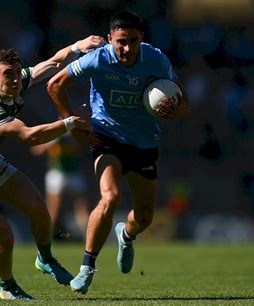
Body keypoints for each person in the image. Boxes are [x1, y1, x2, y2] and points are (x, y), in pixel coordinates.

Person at [0, 35, 105, 300]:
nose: (15, 79)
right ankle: (7, 286)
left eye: (17, 73)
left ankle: (45, 259)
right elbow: (29, 136)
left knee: (39, 210)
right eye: (7, 74)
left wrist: (76, 47)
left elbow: (50, 63)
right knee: (4, 235)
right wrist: (71, 122)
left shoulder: (13, 84)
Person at [47, 11, 189, 294]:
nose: (126, 48)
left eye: (133, 42)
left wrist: (175, 111)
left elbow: (183, 104)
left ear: (142, 39)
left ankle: (126, 235)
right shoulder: (98, 58)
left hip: (144, 142)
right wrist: (72, 124)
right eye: (121, 41)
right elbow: (54, 85)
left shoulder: (156, 60)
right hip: (106, 138)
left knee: (145, 217)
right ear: (110, 39)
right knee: (110, 196)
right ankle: (86, 269)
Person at [31, 133, 90, 240]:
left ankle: (46, 239)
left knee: (54, 210)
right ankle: (88, 237)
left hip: (58, 174)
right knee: (81, 208)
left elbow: (39, 150)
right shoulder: (76, 132)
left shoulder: (59, 132)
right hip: (74, 174)